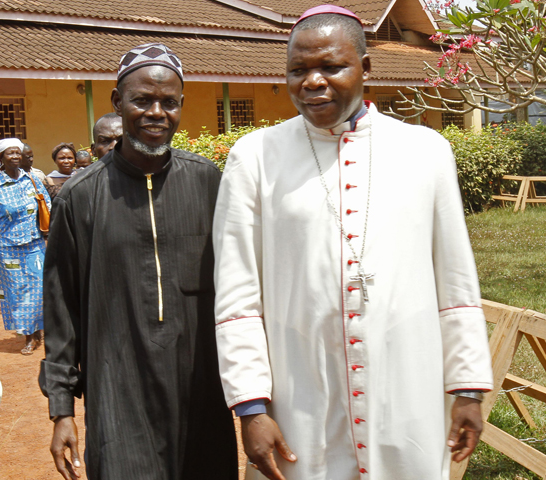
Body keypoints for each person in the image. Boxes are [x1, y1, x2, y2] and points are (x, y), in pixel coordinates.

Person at [212, 6, 494, 480]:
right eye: (297, 70)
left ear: (367, 67)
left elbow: (456, 284)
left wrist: (468, 389)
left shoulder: (426, 151)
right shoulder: (255, 158)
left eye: (331, 67)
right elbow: (237, 298)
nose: (312, 82)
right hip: (301, 395)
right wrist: (251, 408)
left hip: (407, 387)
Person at [40, 43, 237, 480]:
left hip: (200, 391)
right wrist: (61, 409)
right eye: (141, 100)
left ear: (181, 107)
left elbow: (239, 289)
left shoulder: (207, 181)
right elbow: (61, 310)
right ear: (117, 102)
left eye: (169, 103)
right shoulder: (80, 196)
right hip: (116, 395)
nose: (156, 113)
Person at [0, 138, 50, 356]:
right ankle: (29, 336)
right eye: (10, 153)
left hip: (36, 244)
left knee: (40, 288)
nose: (15, 157)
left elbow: (47, 207)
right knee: (18, 293)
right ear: (1, 157)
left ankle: (40, 328)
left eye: (18, 153)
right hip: (9, 249)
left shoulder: (33, 181)